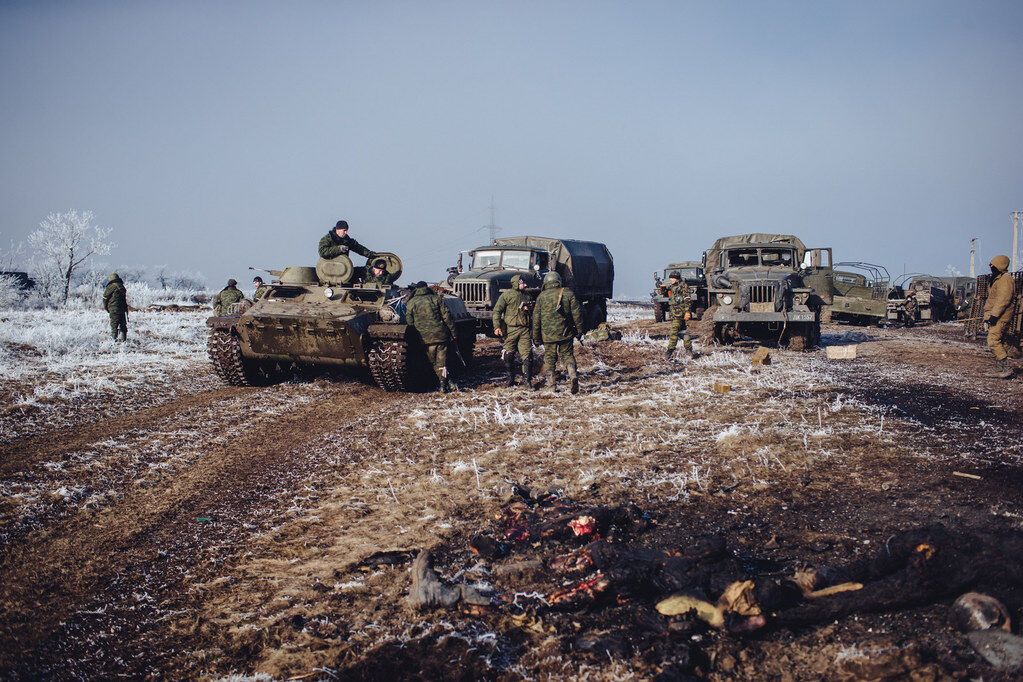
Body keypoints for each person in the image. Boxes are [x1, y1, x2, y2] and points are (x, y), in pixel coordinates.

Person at [531, 271, 583, 394]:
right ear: (558, 280)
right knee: (568, 356)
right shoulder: (568, 293)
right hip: (566, 333)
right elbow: (577, 314)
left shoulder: (541, 297)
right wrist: (579, 330)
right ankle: (573, 375)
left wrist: (536, 337)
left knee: (549, 359)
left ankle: (552, 386)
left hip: (548, 336)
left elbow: (536, 319)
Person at [405, 281, 459, 393]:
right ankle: (445, 384)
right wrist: (453, 333)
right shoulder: (436, 299)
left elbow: (409, 322)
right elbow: (447, 317)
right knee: (442, 362)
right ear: (426, 287)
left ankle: (445, 383)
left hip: (423, 338)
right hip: (441, 335)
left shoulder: (411, 302)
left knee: (434, 362)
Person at [492, 274, 534, 387]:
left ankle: (527, 381)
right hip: (510, 330)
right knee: (508, 355)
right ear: (516, 283)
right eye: (522, 283)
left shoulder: (528, 296)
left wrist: (528, 309)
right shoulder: (506, 295)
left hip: (524, 329)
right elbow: (497, 311)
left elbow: (532, 314)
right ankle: (511, 379)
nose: (525, 285)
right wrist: (497, 326)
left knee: (527, 355)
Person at [983, 255, 1017, 379]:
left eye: (993, 264)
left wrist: (994, 316)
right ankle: (1000, 368)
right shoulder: (998, 278)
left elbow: (1003, 300)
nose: (991, 267)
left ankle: (1006, 369)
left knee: (993, 341)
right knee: (998, 342)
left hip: (1000, 317)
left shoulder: (1005, 279)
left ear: (1000, 265)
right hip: (995, 315)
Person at [664, 271, 695, 359]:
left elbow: (687, 300)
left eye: (672, 278)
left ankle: (669, 351)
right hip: (675, 313)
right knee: (684, 332)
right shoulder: (673, 287)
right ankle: (689, 350)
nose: (671, 279)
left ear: (677, 278)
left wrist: (687, 312)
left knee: (674, 332)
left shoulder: (683, 286)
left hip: (680, 313)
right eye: (670, 278)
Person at [102, 272, 128, 342]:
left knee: (114, 325)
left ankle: (113, 341)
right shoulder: (121, 286)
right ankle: (124, 340)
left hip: (113, 309)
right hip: (122, 309)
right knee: (123, 325)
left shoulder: (111, 286)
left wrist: (106, 308)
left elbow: (105, 298)